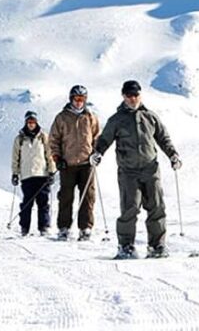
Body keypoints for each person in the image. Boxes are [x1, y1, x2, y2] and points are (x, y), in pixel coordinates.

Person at [91, 80, 181, 260]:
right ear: (123, 97)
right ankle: (126, 247)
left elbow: (163, 138)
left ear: (140, 95)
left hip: (151, 169)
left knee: (156, 207)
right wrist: (97, 153)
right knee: (129, 209)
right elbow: (104, 139)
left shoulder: (150, 116)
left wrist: (173, 155)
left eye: (136, 95)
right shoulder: (117, 120)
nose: (133, 99)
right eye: (129, 96)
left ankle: (157, 246)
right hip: (128, 171)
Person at [49, 84, 101, 241]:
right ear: (71, 99)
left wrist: (96, 154)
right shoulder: (62, 117)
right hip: (68, 164)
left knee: (88, 197)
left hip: (87, 163)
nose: (78, 102)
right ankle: (64, 228)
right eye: (76, 99)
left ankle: (85, 228)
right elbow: (53, 140)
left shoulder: (90, 117)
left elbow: (97, 137)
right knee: (66, 197)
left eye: (82, 99)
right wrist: (57, 158)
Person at [11, 111, 57, 236]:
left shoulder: (43, 137)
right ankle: (24, 227)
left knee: (43, 202)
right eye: (29, 122)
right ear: (26, 123)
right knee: (27, 203)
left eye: (33, 122)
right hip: (26, 175)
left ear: (36, 122)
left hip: (42, 174)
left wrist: (51, 170)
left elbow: (49, 154)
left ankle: (44, 227)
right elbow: (15, 157)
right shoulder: (19, 139)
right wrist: (15, 173)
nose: (31, 124)